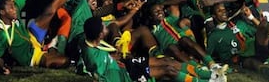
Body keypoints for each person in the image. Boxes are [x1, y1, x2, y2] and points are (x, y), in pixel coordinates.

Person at [81, 16, 227, 82]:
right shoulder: (92, 56)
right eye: (103, 27)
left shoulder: (90, 42)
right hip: (126, 76)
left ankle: (213, 75)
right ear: (100, 35)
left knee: (168, 62)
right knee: (167, 71)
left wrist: (121, 55)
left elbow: (108, 59)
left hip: (128, 65)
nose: (106, 27)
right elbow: (101, 74)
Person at [0, 0, 81, 74]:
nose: (15, 9)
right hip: (32, 57)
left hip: (32, 37)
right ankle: (50, 49)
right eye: (11, 8)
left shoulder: (14, 10)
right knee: (64, 61)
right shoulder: (0, 34)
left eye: (14, 6)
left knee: (51, 10)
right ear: (2, 12)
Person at [207, 3, 269, 79]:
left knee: (264, 24)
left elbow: (260, 30)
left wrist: (251, 17)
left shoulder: (238, 24)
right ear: (214, 16)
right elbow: (209, 56)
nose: (224, 12)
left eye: (224, 9)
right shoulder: (213, 36)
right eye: (219, 11)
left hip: (254, 49)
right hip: (240, 58)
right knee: (251, 62)